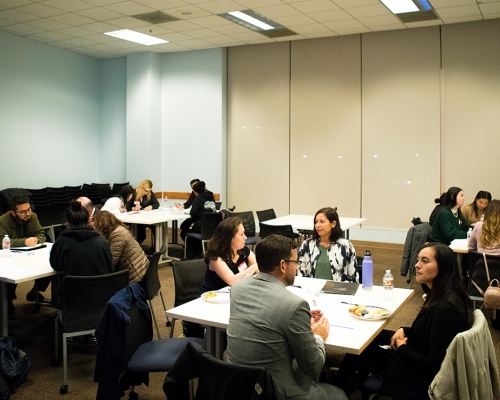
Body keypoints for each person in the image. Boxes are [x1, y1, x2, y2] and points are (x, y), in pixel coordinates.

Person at [335, 243, 474, 399]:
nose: (417, 265)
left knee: (363, 349)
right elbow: (431, 331)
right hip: (416, 351)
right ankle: (343, 383)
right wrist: (405, 330)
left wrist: (402, 348)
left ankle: (338, 388)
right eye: (418, 260)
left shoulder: (446, 308)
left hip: (416, 376)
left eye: (425, 261)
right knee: (369, 339)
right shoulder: (443, 294)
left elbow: (433, 364)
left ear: (443, 267)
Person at [226, 235, 347, 400]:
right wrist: (318, 335)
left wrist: (300, 320)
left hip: (238, 387)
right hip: (275, 393)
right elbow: (314, 366)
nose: (297, 268)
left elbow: (265, 313)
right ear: (283, 265)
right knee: (339, 394)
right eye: (296, 263)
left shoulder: (238, 288)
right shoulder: (294, 305)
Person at [0, 196, 51, 318]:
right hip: (9, 257)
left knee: (50, 264)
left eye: (29, 209)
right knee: (10, 274)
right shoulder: (2, 221)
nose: (27, 214)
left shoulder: (32, 216)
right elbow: (0, 241)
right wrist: (24, 242)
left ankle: (35, 292)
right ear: (13, 213)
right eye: (23, 212)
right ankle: (8, 302)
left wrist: (37, 239)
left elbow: (41, 233)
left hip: (30, 254)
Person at [50, 200, 113, 278]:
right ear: (88, 220)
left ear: (67, 223)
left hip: (74, 288)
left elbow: (56, 266)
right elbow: (110, 268)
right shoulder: (101, 240)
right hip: (100, 288)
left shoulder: (62, 241)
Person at [298, 207, 358, 282]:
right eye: (316, 222)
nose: (317, 225)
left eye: (322, 222)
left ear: (333, 224)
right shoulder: (307, 245)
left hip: (339, 291)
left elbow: (353, 277)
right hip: (312, 291)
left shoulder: (345, 246)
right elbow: (301, 275)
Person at [200, 216, 259, 293]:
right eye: (241, 234)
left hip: (233, 294)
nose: (245, 237)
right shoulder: (216, 258)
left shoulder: (243, 251)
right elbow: (232, 280)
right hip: (212, 298)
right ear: (230, 238)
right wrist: (255, 266)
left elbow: (260, 270)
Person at [93, 211, 149, 282]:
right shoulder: (119, 229)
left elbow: (111, 262)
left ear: (102, 224)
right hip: (140, 271)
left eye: (95, 225)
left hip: (136, 277)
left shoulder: (118, 235)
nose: (94, 227)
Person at [126, 180, 159, 245]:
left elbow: (156, 204)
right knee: (141, 236)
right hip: (135, 220)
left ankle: (156, 247)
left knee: (156, 227)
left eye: (148, 191)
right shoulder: (132, 193)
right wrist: (133, 208)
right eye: (146, 190)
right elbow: (127, 207)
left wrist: (151, 207)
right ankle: (134, 248)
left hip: (146, 218)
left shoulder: (149, 193)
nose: (146, 193)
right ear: (141, 187)